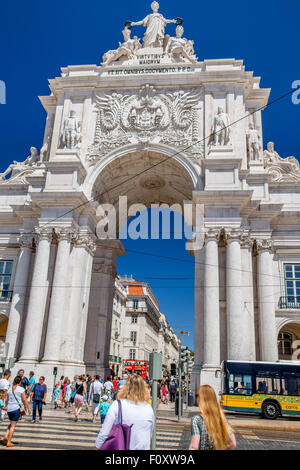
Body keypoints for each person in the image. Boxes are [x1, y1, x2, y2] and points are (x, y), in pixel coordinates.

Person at [95, 374, 155, 450]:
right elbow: (149, 434)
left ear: (126, 388)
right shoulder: (148, 408)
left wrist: (97, 447)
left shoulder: (117, 405)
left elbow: (104, 433)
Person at [189, 385, 236, 451]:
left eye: (197, 395)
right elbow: (233, 443)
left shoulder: (197, 420)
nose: (196, 398)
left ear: (201, 398)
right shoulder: (222, 419)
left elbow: (194, 447)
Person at [3, 376, 31, 447]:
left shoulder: (9, 389)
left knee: (11, 423)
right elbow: (24, 400)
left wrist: (7, 407)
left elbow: (6, 400)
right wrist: (29, 408)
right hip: (15, 409)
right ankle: (9, 442)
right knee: (13, 426)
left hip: (9, 409)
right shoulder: (21, 389)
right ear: (20, 382)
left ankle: (6, 436)